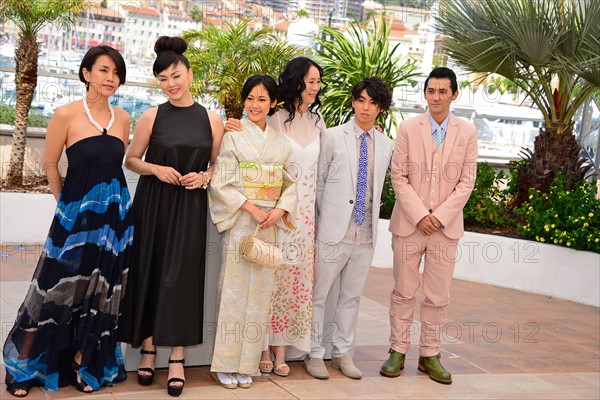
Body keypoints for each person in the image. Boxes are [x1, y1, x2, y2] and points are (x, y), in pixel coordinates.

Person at [3, 45, 132, 397]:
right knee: (54, 287)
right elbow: (50, 166)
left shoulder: (122, 117)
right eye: (104, 70)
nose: (111, 78)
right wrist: (64, 206)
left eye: (116, 73)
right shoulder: (63, 115)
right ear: (86, 73)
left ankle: (82, 360)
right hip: (74, 217)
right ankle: (24, 365)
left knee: (101, 290)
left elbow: (117, 167)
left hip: (114, 220)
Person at [117, 36, 224, 397]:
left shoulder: (211, 119)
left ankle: (176, 357)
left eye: (176, 75)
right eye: (163, 79)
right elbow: (131, 160)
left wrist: (206, 176)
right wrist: (155, 169)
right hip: (153, 203)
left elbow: (220, 165)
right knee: (149, 271)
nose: (171, 84)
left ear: (190, 74)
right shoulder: (152, 115)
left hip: (190, 207)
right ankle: (147, 349)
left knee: (183, 277)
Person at [225, 56, 326, 376]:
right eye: (311, 81)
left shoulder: (319, 122)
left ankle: (282, 348)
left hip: (302, 214)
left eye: (318, 82)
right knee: (271, 277)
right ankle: (264, 347)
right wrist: (228, 123)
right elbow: (249, 141)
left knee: (296, 282)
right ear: (297, 82)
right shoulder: (275, 118)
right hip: (271, 216)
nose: (316, 87)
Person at [380, 67, 477, 384]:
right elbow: (399, 177)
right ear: (425, 94)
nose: (436, 97)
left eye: (443, 91)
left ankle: (430, 354)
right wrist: (421, 215)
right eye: (431, 91)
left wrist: (441, 216)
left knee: (438, 296)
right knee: (403, 291)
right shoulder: (408, 128)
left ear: (454, 95)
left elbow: (467, 182)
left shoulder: (467, 132)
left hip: (445, 231)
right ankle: (397, 350)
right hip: (409, 226)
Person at [209, 74, 297, 389]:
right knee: (232, 293)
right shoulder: (233, 135)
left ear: (274, 103)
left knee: (260, 295)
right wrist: (251, 207)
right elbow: (222, 180)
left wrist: (279, 210)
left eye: (262, 99)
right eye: (250, 98)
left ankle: (247, 364)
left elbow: (291, 182)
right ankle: (225, 364)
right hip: (243, 221)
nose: (254, 105)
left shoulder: (282, 143)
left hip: (268, 225)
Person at [305, 77, 394, 380]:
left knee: (351, 297)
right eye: (360, 100)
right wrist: (324, 219)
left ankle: (343, 352)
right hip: (333, 230)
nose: (365, 108)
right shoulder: (331, 136)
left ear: (380, 108)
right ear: (353, 101)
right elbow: (318, 182)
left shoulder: (386, 145)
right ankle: (314, 353)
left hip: (366, 233)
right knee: (319, 294)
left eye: (372, 103)